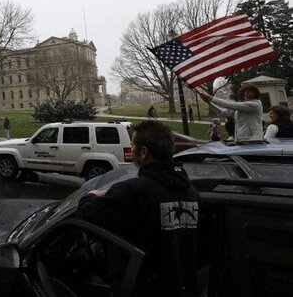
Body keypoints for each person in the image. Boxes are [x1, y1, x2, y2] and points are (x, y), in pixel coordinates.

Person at [77, 120, 200, 297]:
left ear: (144, 152)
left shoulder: (133, 192)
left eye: (133, 144)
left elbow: (87, 217)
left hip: (140, 287)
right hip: (181, 287)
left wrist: (91, 197)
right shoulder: (191, 193)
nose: (131, 148)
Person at [199, 84, 263, 142]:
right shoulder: (240, 105)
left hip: (254, 140)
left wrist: (210, 97)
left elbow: (231, 105)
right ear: (243, 93)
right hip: (240, 139)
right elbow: (222, 112)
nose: (250, 93)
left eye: (253, 92)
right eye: (248, 91)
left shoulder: (256, 104)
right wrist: (209, 103)